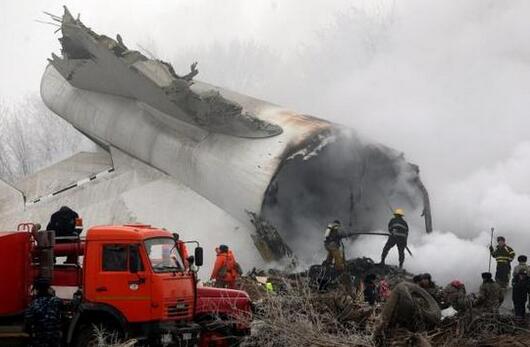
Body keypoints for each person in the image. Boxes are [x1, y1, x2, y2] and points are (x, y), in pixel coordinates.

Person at [25, 278, 63, 347]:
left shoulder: (33, 304)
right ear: (48, 289)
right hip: (54, 341)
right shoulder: (56, 301)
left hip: (40, 341)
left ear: (37, 290)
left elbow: (28, 322)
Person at [323, 220, 354, 294]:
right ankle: (339, 270)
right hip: (333, 245)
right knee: (338, 258)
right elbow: (340, 234)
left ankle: (327, 266)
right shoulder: (336, 227)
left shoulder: (330, 228)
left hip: (328, 245)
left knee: (330, 256)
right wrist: (348, 234)